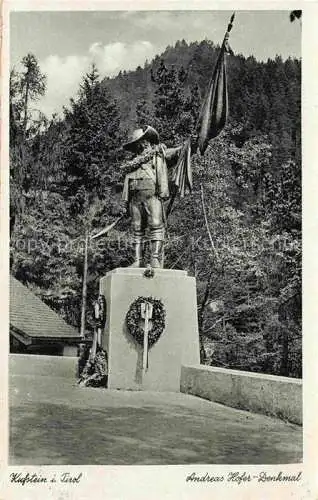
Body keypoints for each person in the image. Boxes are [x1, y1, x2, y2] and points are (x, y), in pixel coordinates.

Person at [122, 125, 182, 268]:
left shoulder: (158, 154)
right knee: (137, 228)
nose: (140, 145)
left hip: (153, 196)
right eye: (136, 143)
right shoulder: (132, 164)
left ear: (147, 141)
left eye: (141, 141)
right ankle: (137, 260)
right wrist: (125, 203)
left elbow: (176, 153)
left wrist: (188, 145)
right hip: (135, 199)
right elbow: (127, 185)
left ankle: (154, 258)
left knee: (156, 225)